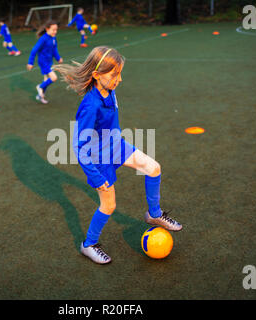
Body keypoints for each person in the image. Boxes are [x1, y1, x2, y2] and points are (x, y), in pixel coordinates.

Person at [54, 46, 183, 264]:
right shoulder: (90, 105)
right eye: (115, 75)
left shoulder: (109, 90)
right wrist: (95, 176)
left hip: (117, 147)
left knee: (153, 168)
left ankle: (154, 214)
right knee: (108, 206)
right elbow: (78, 146)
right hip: (99, 159)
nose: (119, 79)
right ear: (96, 75)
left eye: (120, 73)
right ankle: (88, 245)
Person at [27, 20, 63, 104]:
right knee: (54, 78)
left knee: (46, 80)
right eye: (53, 30)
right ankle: (39, 87)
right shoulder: (43, 39)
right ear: (47, 29)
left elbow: (54, 49)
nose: (55, 31)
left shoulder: (53, 38)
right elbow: (34, 50)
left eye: (56, 30)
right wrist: (30, 62)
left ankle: (40, 95)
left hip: (49, 61)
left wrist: (58, 58)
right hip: (43, 62)